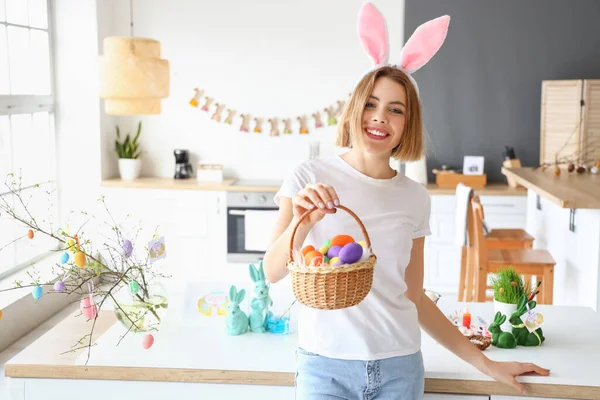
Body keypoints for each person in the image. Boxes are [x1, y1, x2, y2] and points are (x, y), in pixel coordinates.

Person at [263, 2, 550, 399]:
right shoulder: (309, 176)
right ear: (353, 109)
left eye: (395, 110)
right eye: (370, 104)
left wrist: (487, 364)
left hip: (399, 367)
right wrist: (304, 222)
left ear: (407, 124)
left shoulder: (414, 197)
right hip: (323, 367)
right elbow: (273, 271)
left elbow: (413, 297)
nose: (380, 117)